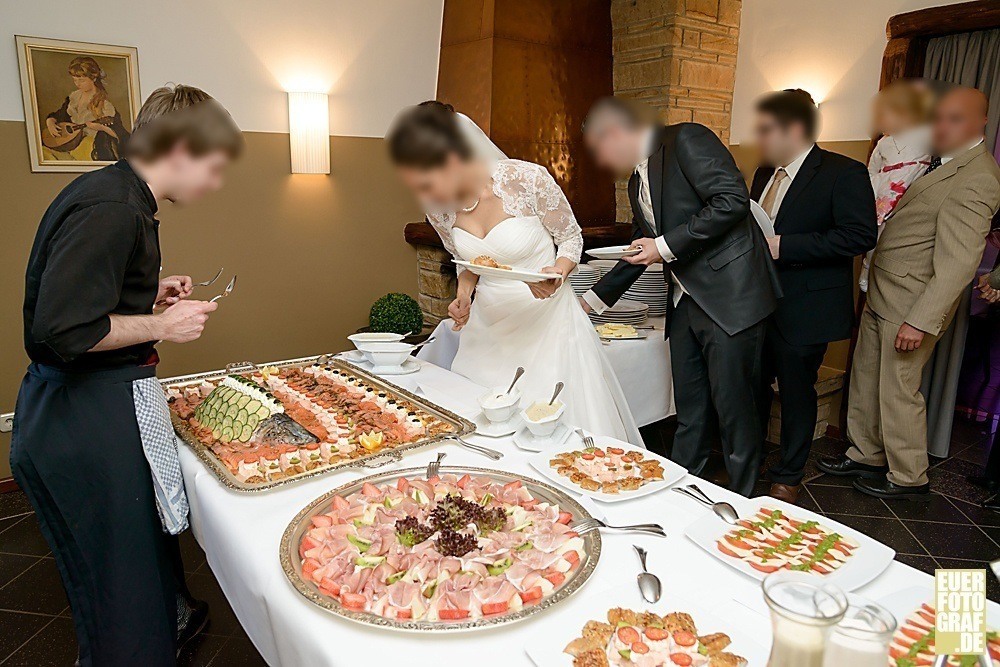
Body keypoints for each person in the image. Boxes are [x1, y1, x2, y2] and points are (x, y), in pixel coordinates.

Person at [11, 84, 243, 666]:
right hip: (80, 417)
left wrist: (145, 295)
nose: (215, 185)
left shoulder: (121, 193)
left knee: (138, 578)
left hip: (91, 404)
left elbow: (87, 299)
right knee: (117, 594)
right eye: (212, 168)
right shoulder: (112, 208)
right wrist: (162, 327)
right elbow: (63, 332)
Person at [386, 101, 641, 445]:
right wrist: (462, 296)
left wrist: (558, 272)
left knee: (549, 431)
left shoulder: (527, 180)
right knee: (478, 426)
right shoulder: (438, 207)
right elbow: (467, 262)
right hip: (488, 330)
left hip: (546, 322)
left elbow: (570, 238)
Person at [580, 97, 780, 496]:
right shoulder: (637, 181)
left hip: (731, 299)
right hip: (684, 303)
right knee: (690, 411)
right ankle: (682, 494)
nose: (601, 159)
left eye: (599, 147)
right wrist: (590, 301)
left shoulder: (685, 139)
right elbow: (642, 248)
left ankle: (741, 504)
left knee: (735, 412)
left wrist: (665, 245)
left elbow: (731, 201)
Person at [819, 87, 1000, 500]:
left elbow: (957, 263)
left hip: (912, 302)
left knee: (899, 388)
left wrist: (920, 320)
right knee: (866, 378)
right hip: (883, 289)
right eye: (938, 117)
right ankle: (865, 453)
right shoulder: (938, 162)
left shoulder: (978, 177)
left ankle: (908, 477)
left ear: (981, 122)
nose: (942, 126)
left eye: (955, 118)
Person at [750, 89, 877, 503]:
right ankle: (749, 461)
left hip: (806, 305)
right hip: (757, 302)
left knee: (796, 391)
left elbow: (859, 236)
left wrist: (784, 246)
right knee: (752, 386)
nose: (760, 138)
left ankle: (788, 472)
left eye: (767, 129)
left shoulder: (844, 171)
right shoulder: (763, 172)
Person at [860, 80, 934, 293]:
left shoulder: (925, 134)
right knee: (874, 238)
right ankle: (867, 269)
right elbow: (871, 170)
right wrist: (876, 187)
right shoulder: (883, 143)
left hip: (909, 194)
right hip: (883, 193)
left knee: (894, 240)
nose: (880, 121)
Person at [42, 56, 131, 162]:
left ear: (93, 78)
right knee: (44, 153)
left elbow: (124, 136)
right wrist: (50, 122)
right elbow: (59, 115)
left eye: (82, 80)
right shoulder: (73, 98)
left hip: (89, 147)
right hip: (69, 143)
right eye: (75, 80)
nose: (77, 84)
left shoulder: (105, 106)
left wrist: (102, 128)